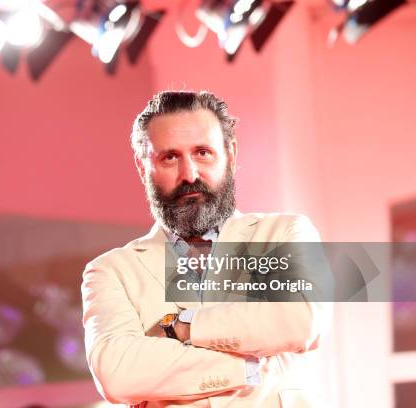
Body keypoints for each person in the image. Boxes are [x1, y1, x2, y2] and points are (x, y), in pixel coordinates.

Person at [81, 91, 332, 407]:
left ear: (231, 153)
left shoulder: (285, 233)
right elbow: (117, 373)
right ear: (143, 167)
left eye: (202, 152)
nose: (189, 175)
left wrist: (183, 327)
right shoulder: (111, 271)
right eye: (169, 157)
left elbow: (300, 321)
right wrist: (251, 366)